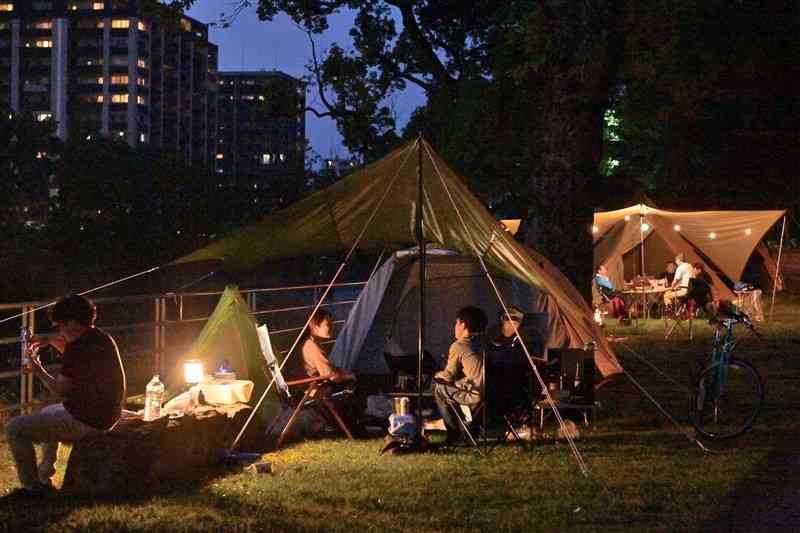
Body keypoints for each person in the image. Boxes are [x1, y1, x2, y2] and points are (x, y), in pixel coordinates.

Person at [5, 294, 126, 496]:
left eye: (60, 325)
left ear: (71, 323)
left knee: (14, 428)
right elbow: (76, 360)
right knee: (47, 411)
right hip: (107, 414)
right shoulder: (100, 339)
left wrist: (37, 369)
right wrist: (50, 341)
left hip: (87, 420)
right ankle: (45, 477)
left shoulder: (77, 348)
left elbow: (60, 389)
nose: (60, 330)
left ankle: (32, 488)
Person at [433, 306, 488, 444]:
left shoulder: (459, 345)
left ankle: (454, 432)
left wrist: (436, 375)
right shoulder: (485, 343)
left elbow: (448, 376)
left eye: (456, 323)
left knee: (439, 388)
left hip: (477, 395)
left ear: (463, 325)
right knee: (452, 385)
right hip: (494, 394)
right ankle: (471, 428)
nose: (455, 327)